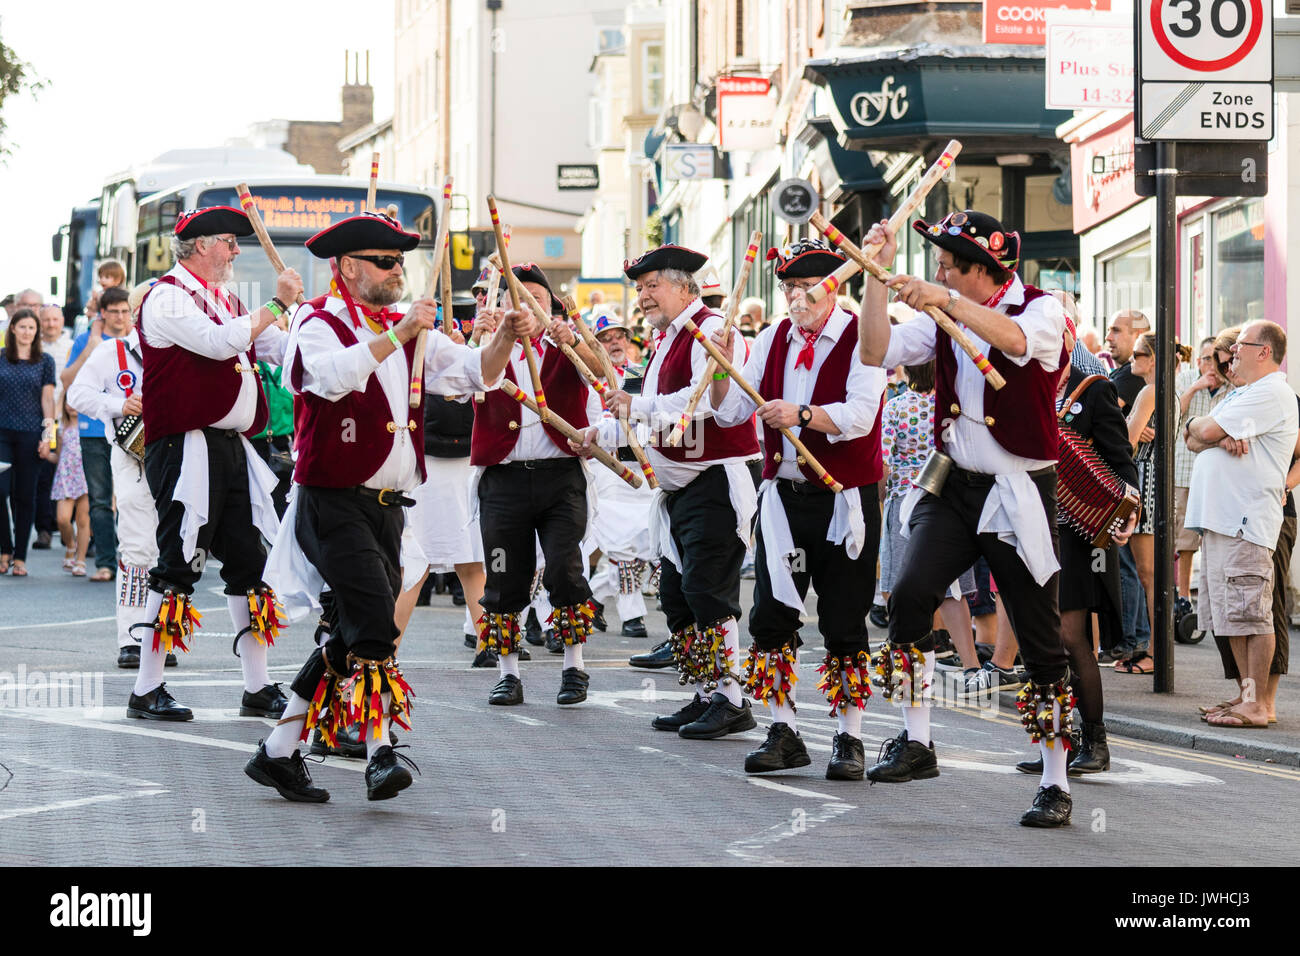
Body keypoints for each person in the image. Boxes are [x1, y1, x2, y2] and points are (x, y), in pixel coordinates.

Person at [249, 209, 533, 802]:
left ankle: (277, 752)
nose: (397, 271)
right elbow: (326, 379)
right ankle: (380, 753)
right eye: (385, 261)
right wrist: (400, 335)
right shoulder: (318, 320)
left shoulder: (405, 328)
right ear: (348, 267)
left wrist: (506, 334)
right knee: (377, 623)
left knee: (355, 631)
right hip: (331, 500)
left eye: (401, 261)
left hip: (389, 506)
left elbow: (475, 373)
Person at [859, 209, 1075, 827]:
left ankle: (1055, 781)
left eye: (949, 265)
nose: (938, 272)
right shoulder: (943, 313)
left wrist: (944, 300)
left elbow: (1013, 342)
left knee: (1040, 638)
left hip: (1019, 489)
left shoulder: (1042, 307)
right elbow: (875, 349)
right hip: (954, 483)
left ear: (980, 271)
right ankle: (918, 740)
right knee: (907, 597)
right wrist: (877, 277)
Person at [708, 238, 886, 779]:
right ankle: (782, 730)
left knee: (844, 619)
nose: (795, 297)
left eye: (806, 286)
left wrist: (801, 413)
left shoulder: (865, 339)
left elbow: (859, 415)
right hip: (783, 499)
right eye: (788, 286)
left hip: (844, 498)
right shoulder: (770, 340)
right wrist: (719, 367)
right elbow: (729, 411)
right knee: (771, 616)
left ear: (835, 287)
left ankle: (849, 738)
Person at [130, 205, 301, 722]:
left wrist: (318, 324)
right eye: (229, 240)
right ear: (201, 245)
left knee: (251, 563)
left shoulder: (226, 298)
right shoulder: (167, 297)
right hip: (184, 445)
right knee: (178, 561)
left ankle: (257, 686)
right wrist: (276, 302)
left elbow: (277, 348)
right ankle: (146, 688)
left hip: (231, 445)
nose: (235, 250)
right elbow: (218, 343)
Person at [594, 244, 759, 740]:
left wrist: (636, 403)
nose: (643, 297)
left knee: (708, 592)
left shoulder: (710, 330)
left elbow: (696, 407)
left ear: (684, 287)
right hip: (680, 491)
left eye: (651, 286)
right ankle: (706, 692)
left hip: (715, 480)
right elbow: (652, 416)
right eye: (640, 288)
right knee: (678, 596)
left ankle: (732, 698)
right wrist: (602, 434)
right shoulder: (668, 337)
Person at [469, 262, 602, 709]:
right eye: (516, 298)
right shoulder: (489, 345)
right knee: (505, 576)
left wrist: (576, 342)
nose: (526, 306)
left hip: (560, 475)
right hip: (503, 478)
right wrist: (486, 337)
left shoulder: (565, 344)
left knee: (565, 567)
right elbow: (464, 383)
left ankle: (573, 666)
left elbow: (604, 376)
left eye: (537, 299)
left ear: (552, 307)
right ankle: (508, 673)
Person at [1015, 318, 1137, 775]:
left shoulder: (1094, 389)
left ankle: (1096, 741)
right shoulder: (1026, 388)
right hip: (1033, 525)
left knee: (1070, 635)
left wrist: (1127, 509)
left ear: (1066, 340)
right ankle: (1054, 743)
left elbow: (1121, 460)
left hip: (1079, 531)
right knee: (1041, 637)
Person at [1187, 320, 1298, 730]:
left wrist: (1210, 433)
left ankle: (1257, 706)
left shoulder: (1271, 393)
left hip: (1245, 521)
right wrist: (1210, 434)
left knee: (1253, 615)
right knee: (1230, 617)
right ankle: (1247, 698)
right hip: (1221, 521)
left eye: (1241, 347)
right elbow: (1192, 435)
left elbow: (1207, 429)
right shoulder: (1245, 393)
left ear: (1264, 351)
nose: (1232, 354)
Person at [67, 281, 170, 669]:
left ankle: (163, 633)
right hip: (134, 458)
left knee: (173, 549)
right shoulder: (114, 352)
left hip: (180, 458)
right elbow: (77, 395)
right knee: (136, 545)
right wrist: (118, 403)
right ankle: (132, 636)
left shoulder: (184, 352)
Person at [585, 313, 656, 638]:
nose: (614, 343)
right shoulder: (590, 377)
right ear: (596, 344)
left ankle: (595, 596)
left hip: (643, 469)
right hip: (609, 469)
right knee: (622, 547)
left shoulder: (640, 373)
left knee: (643, 544)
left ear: (628, 340)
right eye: (606, 338)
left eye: (619, 336)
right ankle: (632, 616)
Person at [62, 287, 136, 582]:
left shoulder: (139, 343)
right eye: (114, 311)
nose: (120, 317)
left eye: (124, 311)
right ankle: (106, 561)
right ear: (102, 313)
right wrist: (91, 347)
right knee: (101, 499)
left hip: (133, 433)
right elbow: (68, 382)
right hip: (93, 431)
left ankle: (134, 559)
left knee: (133, 496)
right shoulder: (86, 340)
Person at [0, 309, 57, 576]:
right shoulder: (1, 358)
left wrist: (49, 438)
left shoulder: (45, 361)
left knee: (25, 496)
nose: (26, 332)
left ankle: (20, 557)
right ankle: (4, 549)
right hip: (2, 433)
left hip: (31, 435)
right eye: (21, 327)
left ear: (36, 332)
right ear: (12, 329)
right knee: (0, 492)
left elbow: (48, 400)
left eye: (31, 328)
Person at [1173, 338, 1228, 615]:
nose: (1211, 365)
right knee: (1184, 539)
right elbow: (1172, 417)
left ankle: (1211, 596)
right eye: (1206, 359)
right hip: (1185, 469)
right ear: (1198, 362)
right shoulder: (1185, 379)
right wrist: (1195, 387)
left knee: (1214, 535)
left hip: (1218, 473)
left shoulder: (1230, 385)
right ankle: (1183, 596)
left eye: (1215, 360)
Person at [32, 305, 73, 550]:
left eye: (54, 319)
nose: (50, 324)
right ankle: (44, 529)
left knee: (71, 470)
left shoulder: (71, 345)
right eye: (46, 320)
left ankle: (77, 531)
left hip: (66, 419)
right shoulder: (36, 348)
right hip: (44, 419)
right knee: (44, 474)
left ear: (62, 321)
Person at [49, 402, 90, 576]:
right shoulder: (60, 428)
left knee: (83, 520)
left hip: (85, 476)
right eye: (68, 402)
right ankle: (71, 545)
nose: (72, 406)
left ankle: (80, 561)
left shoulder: (90, 426)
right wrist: (46, 454)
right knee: (62, 519)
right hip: (66, 478)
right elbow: (58, 456)